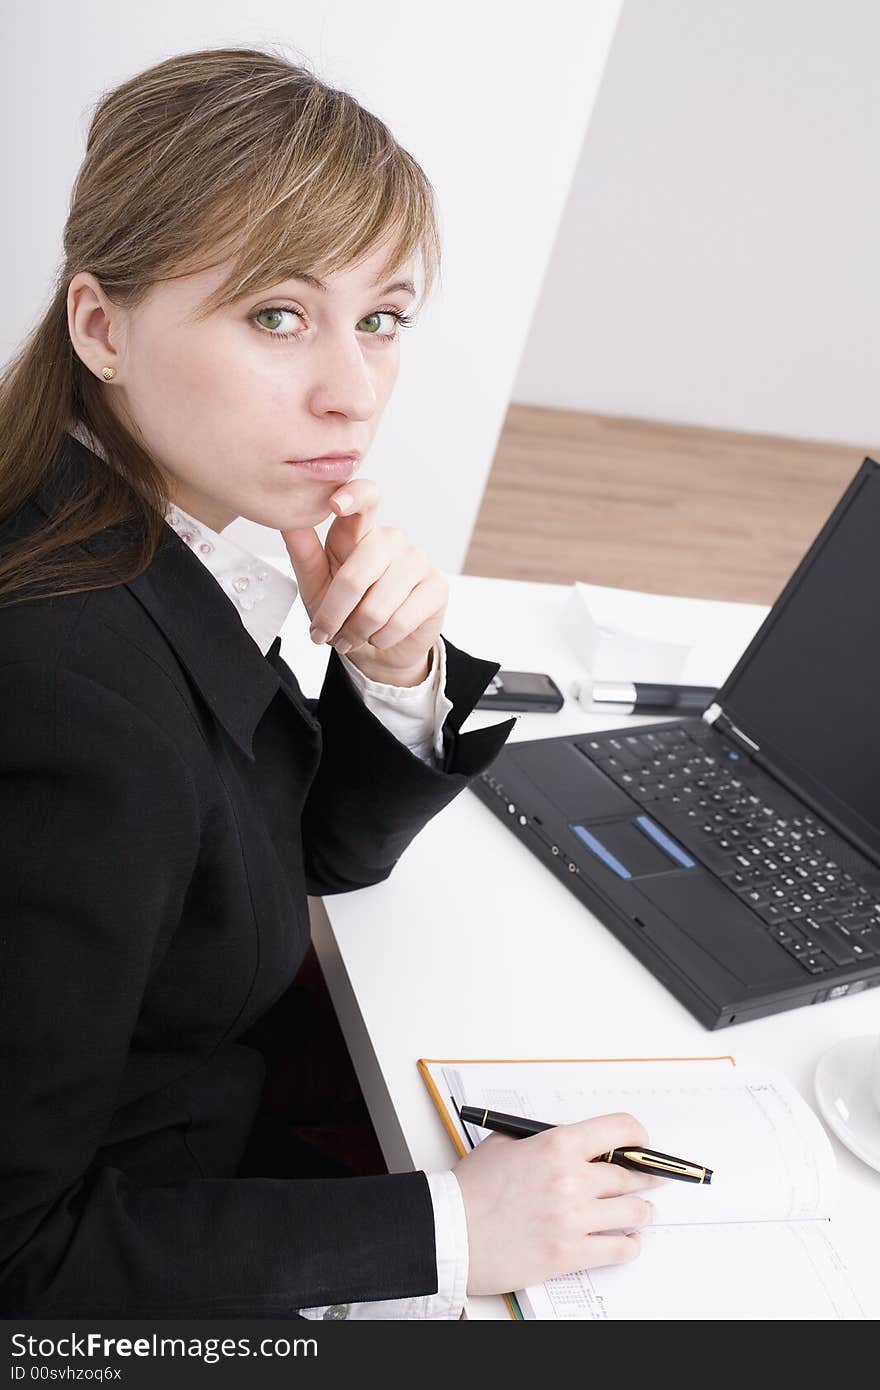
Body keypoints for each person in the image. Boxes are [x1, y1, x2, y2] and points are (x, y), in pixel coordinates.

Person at [0, 45, 662, 1319]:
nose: (353, 392)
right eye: (277, 315)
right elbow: (22, 1260)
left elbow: (289, 853)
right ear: (102, 326)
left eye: (381, 319)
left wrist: (398, 671)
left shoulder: (137, 534)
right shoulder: (70, 694)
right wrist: (453, 1230)